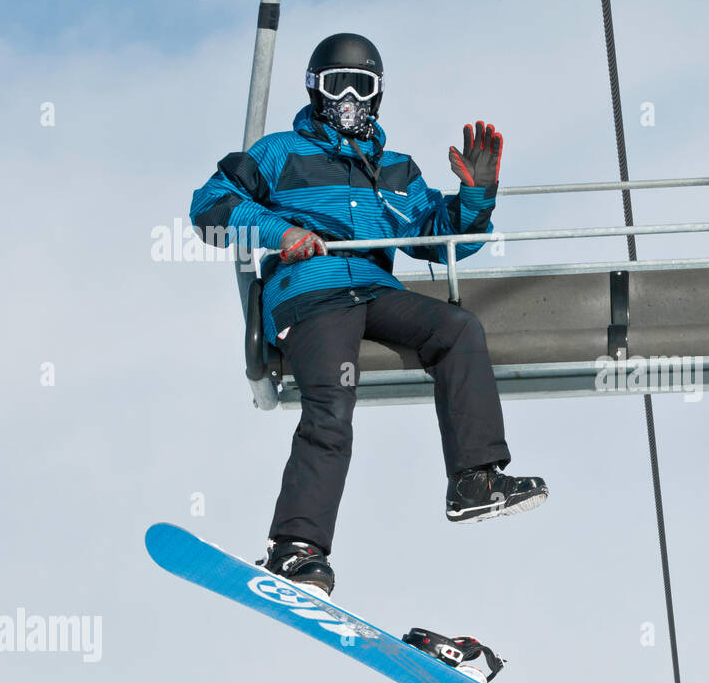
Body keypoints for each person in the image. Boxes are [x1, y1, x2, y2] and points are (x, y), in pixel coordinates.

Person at [190, 33, 547, 596]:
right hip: (310, 293)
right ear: (314, 90)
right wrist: (280, 231)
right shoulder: (278, 153)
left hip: (374, 291)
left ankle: (474, 480)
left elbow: (437, 238)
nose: (349, 98)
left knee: (458, 329)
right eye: (337, 85)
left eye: (363, 85)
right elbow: (210, 206)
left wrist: (477, 199)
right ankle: (296, 548)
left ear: (379, 95)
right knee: (331, 406)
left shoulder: (396, 169)